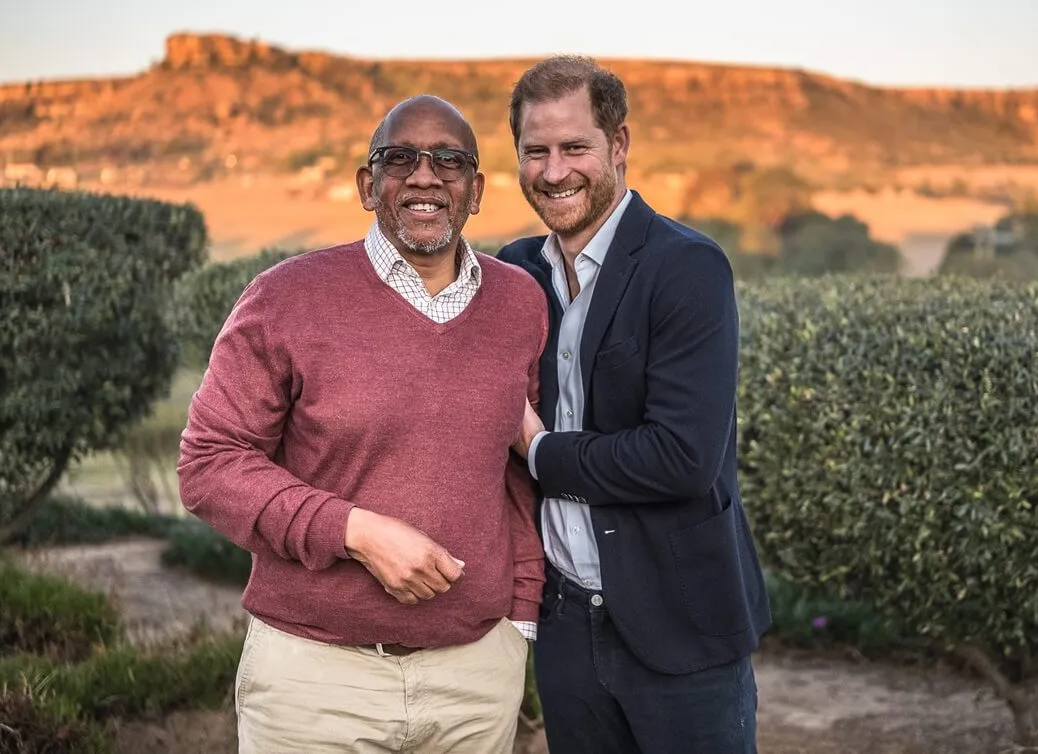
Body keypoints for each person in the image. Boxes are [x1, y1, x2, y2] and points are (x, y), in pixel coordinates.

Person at [178, 94, 549, 753]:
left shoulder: (520, 303)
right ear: (366, 184)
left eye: (451, 161)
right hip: (316, 681)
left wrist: (518, 622)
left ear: (478, 190)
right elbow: (209, 464)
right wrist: (354, 531)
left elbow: (516, 473)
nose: (426, 176)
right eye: (400, 158)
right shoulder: (287, 297)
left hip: (475, 681)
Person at [497, 56, 772, 753]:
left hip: (679, 625)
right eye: (536, 151)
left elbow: (680, 458)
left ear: (618, 145)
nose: (554, 171)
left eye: (574, 148)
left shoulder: (687, 267)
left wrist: (542, 450)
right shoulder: (513, 273)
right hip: (564, 629)